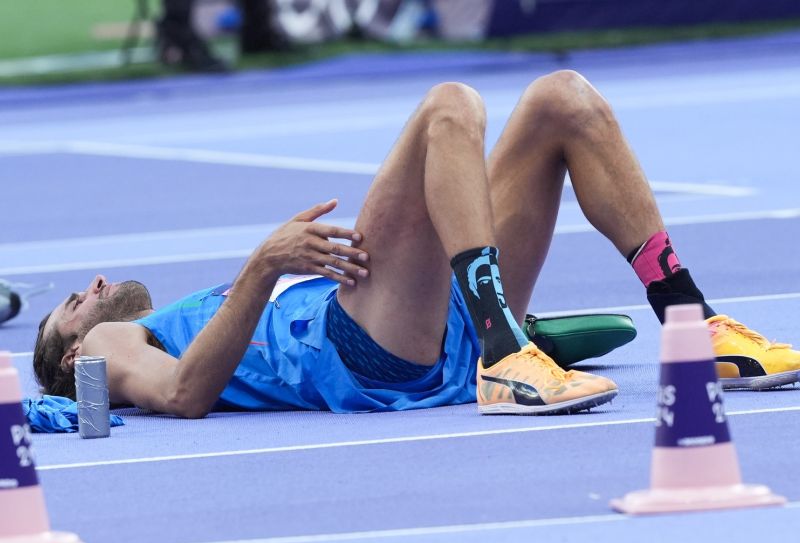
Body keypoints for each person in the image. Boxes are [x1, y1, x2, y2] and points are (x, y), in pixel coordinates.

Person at [32, 71, 800, 419]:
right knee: (449, 106)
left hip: (426, 323)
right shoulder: (110, 345)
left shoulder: (186, 316)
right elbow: (181, 397)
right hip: (365, 346)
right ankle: (504, 354)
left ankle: (688, 324)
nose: (91, 290)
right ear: (73, 357)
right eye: (72, 305)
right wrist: (265, 262)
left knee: (562, 100)